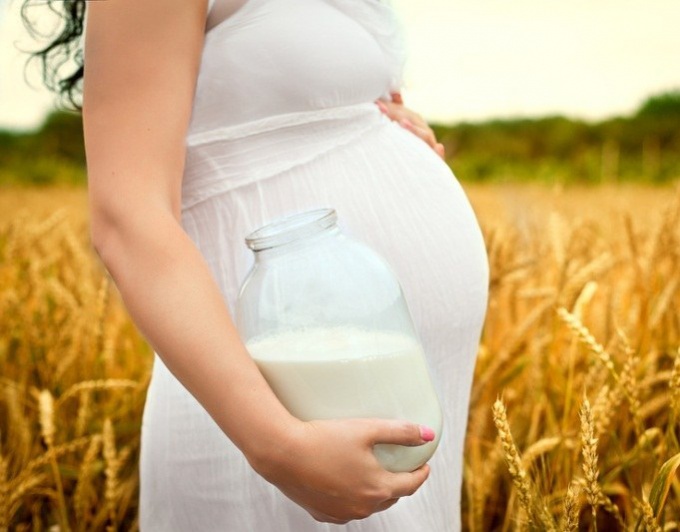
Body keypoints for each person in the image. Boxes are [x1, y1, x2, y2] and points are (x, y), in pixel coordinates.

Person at [25, 0, 489, 529]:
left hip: (369, 391)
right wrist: (281, 447)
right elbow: (126, 219)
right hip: (275, 415)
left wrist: (367, 122)